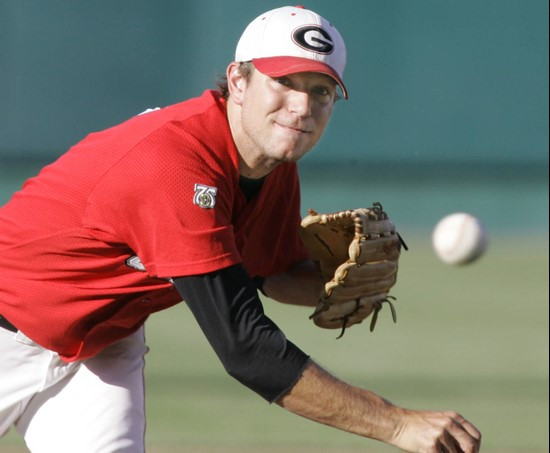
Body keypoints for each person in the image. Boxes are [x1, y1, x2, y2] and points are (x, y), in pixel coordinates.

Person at [0, 5, 481, 453]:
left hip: (99, 344)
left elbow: (265, 274)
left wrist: (327, 285)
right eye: (285, 82)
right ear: (239, 81)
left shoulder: (272, 166)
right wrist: (395, 423)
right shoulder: (174, 165)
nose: (301, 106)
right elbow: (246, 349)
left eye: (321, 91)